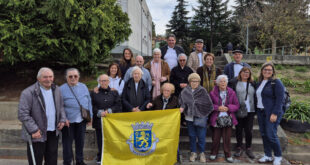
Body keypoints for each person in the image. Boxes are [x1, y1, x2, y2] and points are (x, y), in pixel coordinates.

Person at [18, 67, 66, 165]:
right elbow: (23, 114)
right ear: (38, 78)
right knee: (36, 161)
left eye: (50, 76)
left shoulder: (56, 89)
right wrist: (34, 130)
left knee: (52, 161)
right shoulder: (28, 93)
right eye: (45, 77)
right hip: (37, 133)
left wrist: (62, 119)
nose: (48, 79)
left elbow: (61, 106)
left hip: (53, 132)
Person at [60, 68, 92, 165]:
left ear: (78, 77)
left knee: (80, 142)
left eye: (75, 76)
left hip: (82, 120)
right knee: (67, 144)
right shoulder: (61, 89)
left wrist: (91, 117)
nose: (73, 78)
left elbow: (89, 101)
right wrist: (63, 118)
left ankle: (79, 161)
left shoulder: (83, 86)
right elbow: (59, 106)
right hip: (68, 121)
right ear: (66, 78)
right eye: (70, 76)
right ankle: (67, 162)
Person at [179, 73, 214, 163]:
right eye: (192, 81)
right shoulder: (185, 91)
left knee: (201, 136)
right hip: (189, 118)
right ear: (189, 82)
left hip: (200, 117)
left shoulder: (203, 91)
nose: (194, 83)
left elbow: (209, 105)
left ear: (199, 82)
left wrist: (202, 113)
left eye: (196, 81)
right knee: (192, 136)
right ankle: (193, 152)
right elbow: (181, 102)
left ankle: (202, 153)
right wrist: (182, 107)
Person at [256, 62, 285, 165]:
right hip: (260, 111)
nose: (267, 71)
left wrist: (275, 113)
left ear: (273, 72)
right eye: (265, 69)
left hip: (271, 113)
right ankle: (267, 155)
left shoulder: (276, 82)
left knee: (271, 134)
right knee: (264, 134)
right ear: (262, 70)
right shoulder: (259, 82)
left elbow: (280, 99)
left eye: (269, 70)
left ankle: (278, 156)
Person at [91, 74, 121, 164]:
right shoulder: (94, 93)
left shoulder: (114, 92)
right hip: (99, 121)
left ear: (109, 82)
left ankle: (112, 157)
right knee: (100, 140)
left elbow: (118, 105)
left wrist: (110, 110)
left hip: (112, 122)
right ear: (99, 82)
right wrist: (99, 112)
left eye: (106, 80)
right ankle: (101, 157)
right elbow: (91, 105)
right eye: (102, 81)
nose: (104, 82)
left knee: (112, 139)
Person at [209, 75, 240, 163]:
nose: (223, 83)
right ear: (217, 83)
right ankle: (214, 153)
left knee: (227, 138)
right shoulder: (212, 93)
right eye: (221, 81)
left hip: (228, 118)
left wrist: (228, 108)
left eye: (224, 81)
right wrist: (217, 107)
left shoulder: (232, 92)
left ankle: (228, 154)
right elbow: (209, 105)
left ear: (227, 83)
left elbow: (237, 105)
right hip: (216, 118)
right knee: (216, 137)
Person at [228, 67, 256, 159]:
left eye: (247, 72)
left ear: (250, 74)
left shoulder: (253, 83)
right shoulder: (234, 82)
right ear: (240, 73)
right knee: (239, 129)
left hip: (250, 110)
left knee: (248, 130)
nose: (245, 74)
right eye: (243, 72)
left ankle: (248, 148)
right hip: (239, 109)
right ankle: (239, 147)